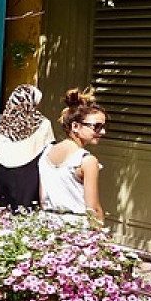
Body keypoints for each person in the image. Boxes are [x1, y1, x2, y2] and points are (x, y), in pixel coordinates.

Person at [40, 88, 107, 225]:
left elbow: (42, 199)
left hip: (47, 224)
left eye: (104, 126)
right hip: (76, 230)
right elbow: (92, 208)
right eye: (97, 126)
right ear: (75, 126)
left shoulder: (46, 153)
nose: (103, 131)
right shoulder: (86, 160)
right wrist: (100, 235)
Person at [0, 84, 54, 209]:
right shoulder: (43, 124)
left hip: (0, 174)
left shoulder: (0, 122)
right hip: (28, 178)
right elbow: (48, 149)